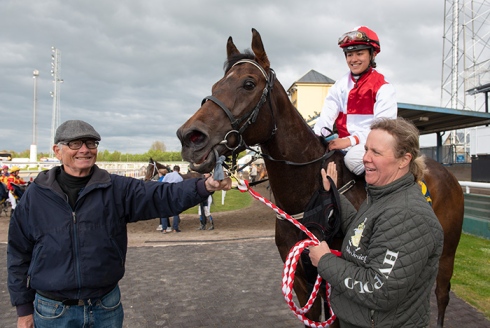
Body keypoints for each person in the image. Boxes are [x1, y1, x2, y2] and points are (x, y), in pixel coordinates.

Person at [7, 120, 231, 328]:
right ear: (57, 151)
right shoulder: (36, 196)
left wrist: (206, 186)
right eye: (75, 143)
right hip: (52, 311)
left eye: (91, 143)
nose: (84, 149)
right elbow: (18, 254)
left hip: (105, 307)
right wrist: (24, 309)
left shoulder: (115, 188)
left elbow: (162, 195)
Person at [308, 117, 444, 328]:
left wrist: (325, 261)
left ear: (404, 160)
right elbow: (361, 229)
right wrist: (334, 192)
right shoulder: (382, 195)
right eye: (366, 149)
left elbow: (378, 289)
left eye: (376, 153)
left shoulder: (407, 215)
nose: (365, 158)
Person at [313, 26, 397, 175]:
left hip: (373, 146)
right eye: (349, 54)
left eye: (359, 53)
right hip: (344, 144)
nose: (353, 59)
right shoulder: (339, 86)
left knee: (352, 159)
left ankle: (383, 195)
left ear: (372, 55)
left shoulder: (384, 88)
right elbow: (325, 118)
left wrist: (350, 141)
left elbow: (383, 130)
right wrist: (315, 138)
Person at [161, 165, 184, 233]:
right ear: (179, 170)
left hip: (166, 194)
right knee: (175, 212)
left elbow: (162, 183)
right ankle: (175, 228)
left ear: (173, 169)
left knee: (164, 211)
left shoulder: (167, 175)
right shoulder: (180, 177)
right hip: (175, 195)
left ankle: (164, 229)